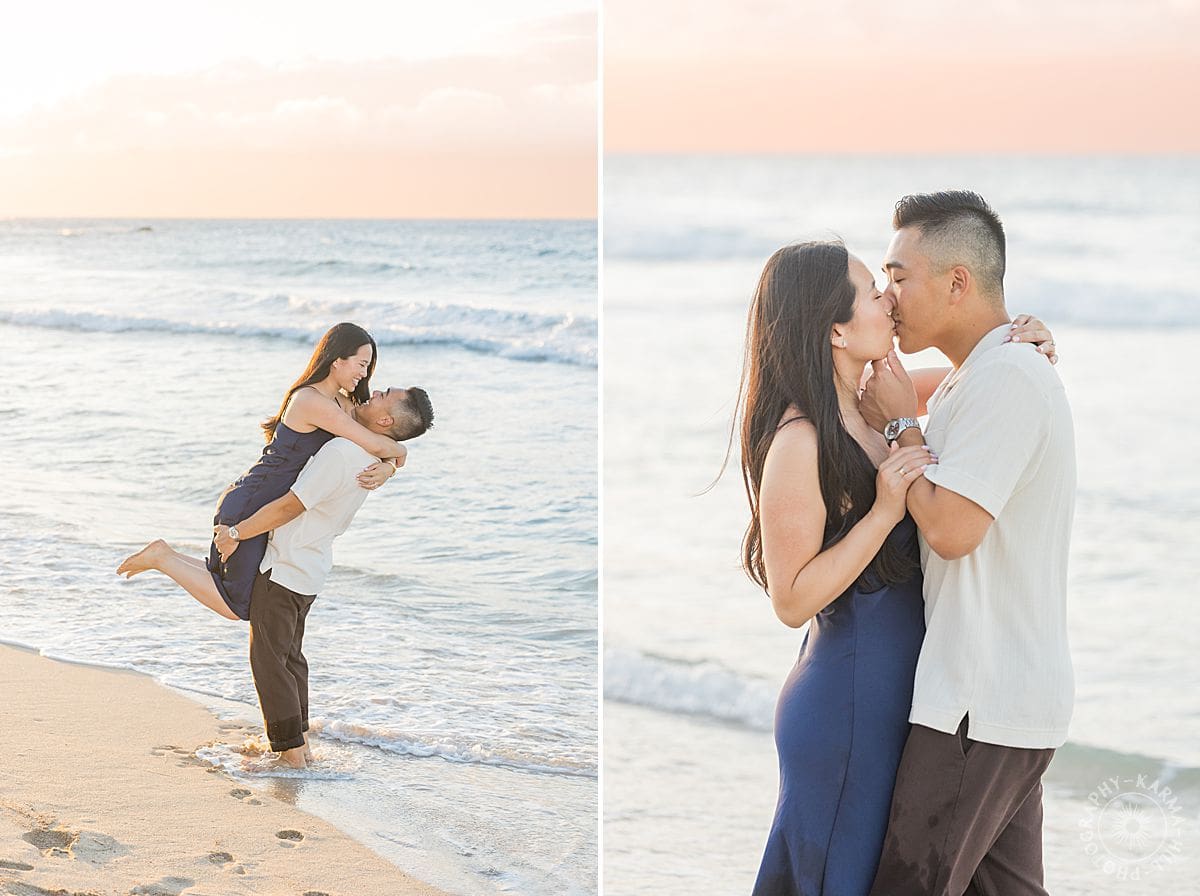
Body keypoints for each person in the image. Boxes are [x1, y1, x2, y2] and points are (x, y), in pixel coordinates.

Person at [738, 235, 1059, 894]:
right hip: (847, 702)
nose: (888, 300)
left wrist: (1023, 343)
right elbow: (791, 600)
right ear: (833, 328)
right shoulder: (799, 440)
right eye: (870, 292)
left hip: (902, 699)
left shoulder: (870, 405)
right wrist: (885, 511)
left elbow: (982, 388)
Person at [860, 191, 1075, 896]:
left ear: (957, 281)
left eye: (898, 275)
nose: (889, 296)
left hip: (975, 707)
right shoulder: (975, 378)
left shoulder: (1007, 377)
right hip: (1000, 703)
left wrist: (902, 429)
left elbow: (952, 531)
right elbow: (866, 397)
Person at [117, 322, 408, 621]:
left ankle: (163, 554)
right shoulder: (310, 400)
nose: (364, 374)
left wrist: (388, 468)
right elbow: (374, 442)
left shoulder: (343, 404)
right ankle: (162, 558)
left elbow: (374, 445)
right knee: (238, 605)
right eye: (362, 364)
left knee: (231, 586)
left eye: (368, 366)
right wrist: (401, 452)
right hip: (251, 503)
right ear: (337, 360)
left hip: (264, 505)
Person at [213, 384, 434, 769]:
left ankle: (291, 755)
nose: (375, 390)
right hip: (311, 567)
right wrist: (395, 458)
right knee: (290, 658)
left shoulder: (343, 452)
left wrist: (236, 533)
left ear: (385, 420)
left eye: (384, 395)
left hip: (285, 565)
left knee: (269, 661)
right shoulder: (367, 453)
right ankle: (301, 747)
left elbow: (289, 506)